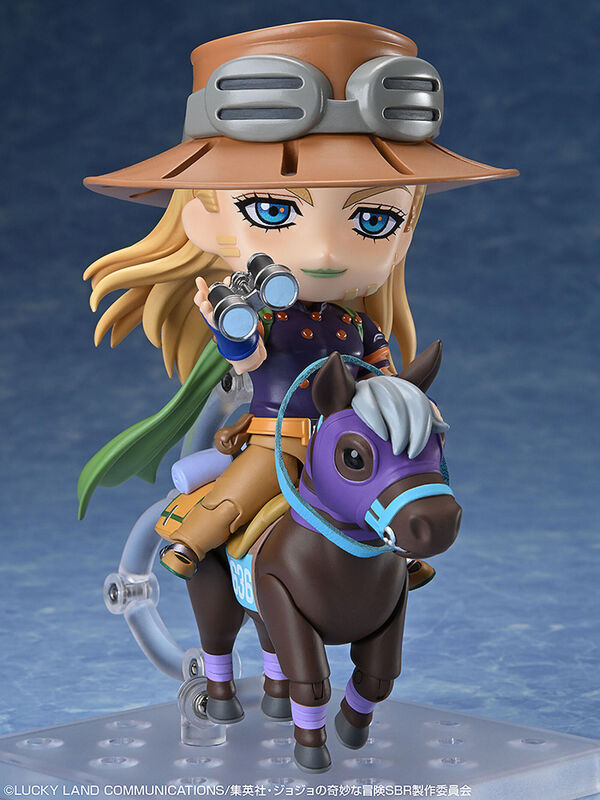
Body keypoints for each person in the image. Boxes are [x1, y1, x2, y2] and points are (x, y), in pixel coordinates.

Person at [79, 20, 517, 588]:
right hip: (278, 438)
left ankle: (402, 550)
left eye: (374, 218)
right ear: (201, 219)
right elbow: (247, 360)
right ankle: (191, 542)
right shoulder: (263, 315)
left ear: (407, 227)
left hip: (355, 441)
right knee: (243, 492)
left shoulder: (358, 325)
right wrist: (231, 330)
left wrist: (406, 402)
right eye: (273, 211)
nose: (325, 251)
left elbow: (381, 374)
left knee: (397, 484)